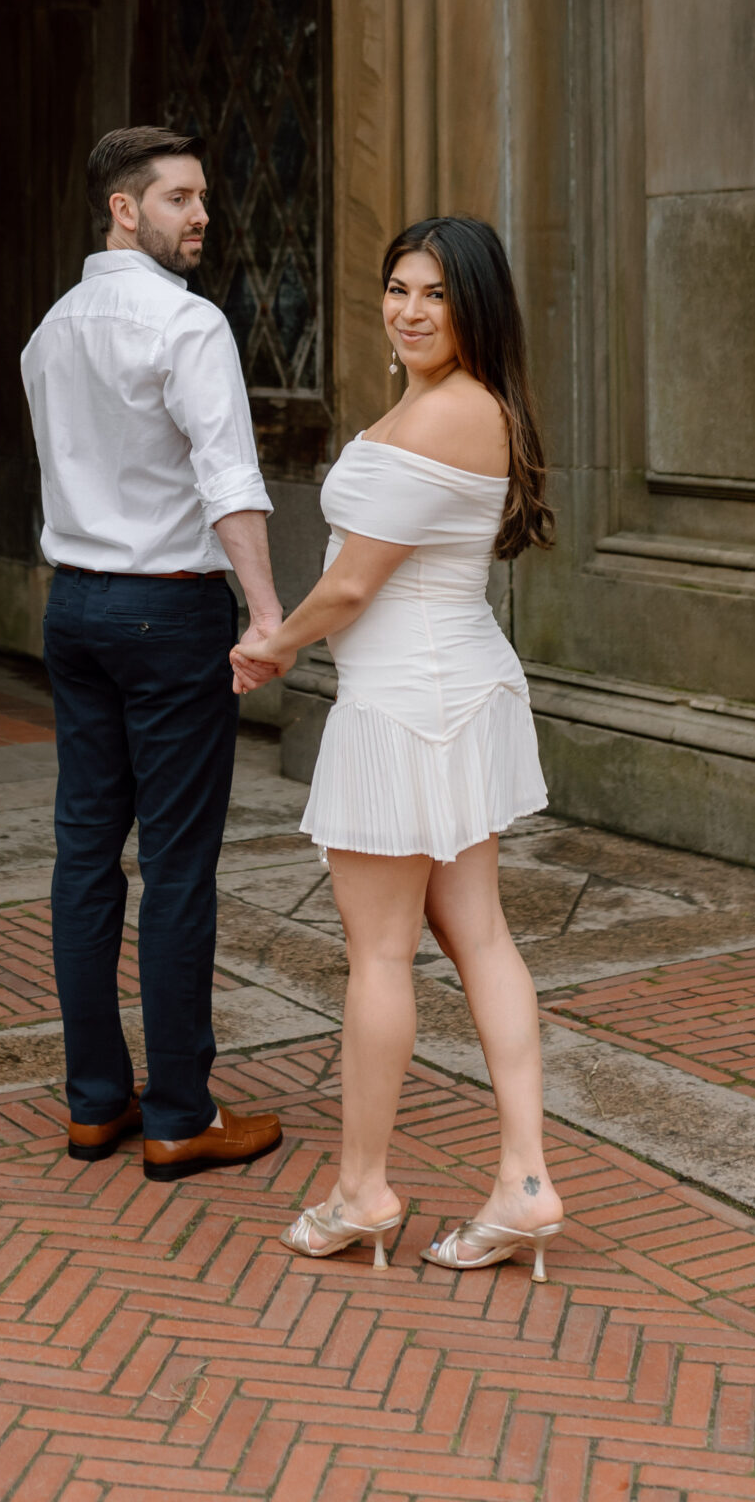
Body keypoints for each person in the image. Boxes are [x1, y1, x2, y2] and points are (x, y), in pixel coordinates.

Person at [232, 216, 559, 1278]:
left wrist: (275, 643)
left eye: (436, 294)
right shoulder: (461, 405)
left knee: (381, 953)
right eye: (398, 288)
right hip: (453, 690)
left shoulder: (444, 416)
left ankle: (362, 1189)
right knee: (482, 936)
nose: (411, 309)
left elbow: (356, 581)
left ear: (476, 308)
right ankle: (521, 1181)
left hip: (409, 706)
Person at [21, 125, 285, 1180]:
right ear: (125, 209)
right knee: (177, 865)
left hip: (75, 609)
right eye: (180, 198)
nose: (201, 215)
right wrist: (266, 616)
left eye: (203, 197)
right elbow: (228, 480)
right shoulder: (188, 324)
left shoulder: (50, 330)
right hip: (168, 614)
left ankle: (96, 1103)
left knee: (86, 853)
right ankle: (178, 1109)